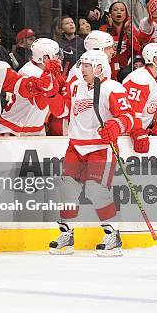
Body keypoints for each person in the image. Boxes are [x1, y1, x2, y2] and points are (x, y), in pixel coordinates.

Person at [49, 49, 136, 257]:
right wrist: (51, 91)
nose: (82, 69)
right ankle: (67, 235)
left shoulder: (112, 88)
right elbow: (61, 111)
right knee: (67, 189)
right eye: (82, 65)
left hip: (100, 148)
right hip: (76, 146)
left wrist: (115, 126)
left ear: (98, 67)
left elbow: (129, 116)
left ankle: (113, 236)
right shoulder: (76, 86)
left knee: (95, 190)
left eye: (86, 66)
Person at [0, 38, 66, 136]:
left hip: (35, 129)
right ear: (45, 58)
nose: (59, 59)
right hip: (12, 129)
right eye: (56, 55)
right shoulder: (29, 72)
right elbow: (41, 104)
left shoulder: (47, 72)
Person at [122, 43, 157, 153]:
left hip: (142, 131)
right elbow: (130, 113)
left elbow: (152, 106)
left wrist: (152, 124)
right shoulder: (139, 79)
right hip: (125, 136)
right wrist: (137, 132)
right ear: (156, 60)